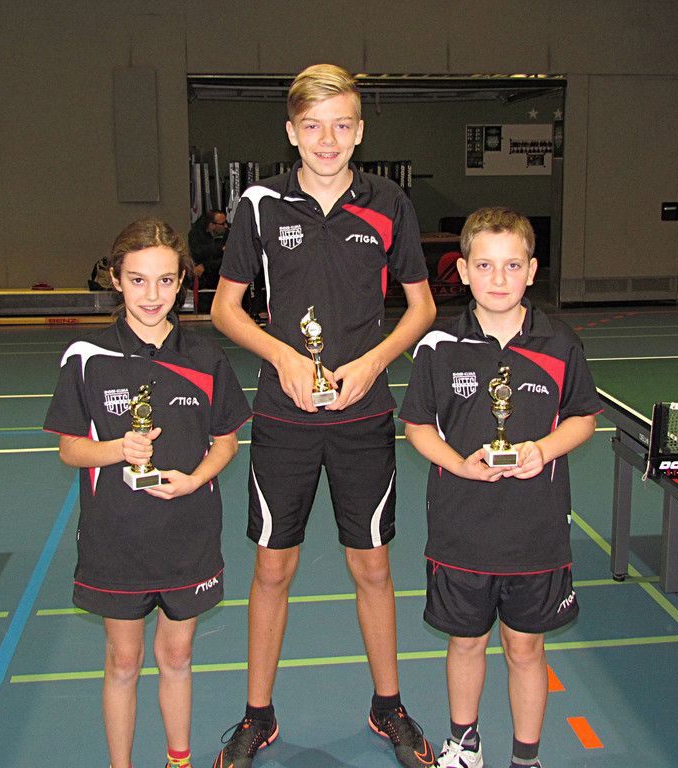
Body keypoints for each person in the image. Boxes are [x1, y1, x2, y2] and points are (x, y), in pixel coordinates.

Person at [211, 64, 437, 768]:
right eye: (313, 126)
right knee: (272, 567)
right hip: (284, 419)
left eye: (341, 125)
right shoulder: (259, 204)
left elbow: (422, 307)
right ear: (291, 131)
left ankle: (389, 705)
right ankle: (257, 715)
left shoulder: (389, 203)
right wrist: (281, 356)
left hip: (363, 418)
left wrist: (374, 362)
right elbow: (225, 308)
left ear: (360, 131)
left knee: (372, 565)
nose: (328, 139)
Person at [44, 218, 251, 768]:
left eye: (165, 280)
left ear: (182, 281)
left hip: (188, 533)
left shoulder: (205, 357)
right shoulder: (86, 356)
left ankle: (178, 760)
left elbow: (227, 442)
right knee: (123, 661)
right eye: (138, 280)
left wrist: (196, 478)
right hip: (117, 538)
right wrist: (118, 449)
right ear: (116, 279)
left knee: (177, 656)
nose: (152, 295)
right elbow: (69, 449)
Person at [399, 207, 601, 768]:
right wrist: (459, 466)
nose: (498, 278)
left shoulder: (559, 343)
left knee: (525, 647)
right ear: (462, 270)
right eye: (484, 265)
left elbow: (583, 417)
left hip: (536, 533)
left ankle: (525, 758)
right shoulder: (438, 344)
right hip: (460, 530)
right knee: (464, 642)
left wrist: (544, 449)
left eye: (512, 265)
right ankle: (464, 745)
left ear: (532, 271)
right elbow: (417, 426)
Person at [189, 209, 228, 292]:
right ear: (212, 225)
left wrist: (205, 266)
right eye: (222, 224)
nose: (225, 226)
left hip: (221, 279)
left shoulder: (228, 235)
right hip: (202, 280)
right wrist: (220, 249)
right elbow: (197, 252)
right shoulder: (196, 234)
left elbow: (228, 259)